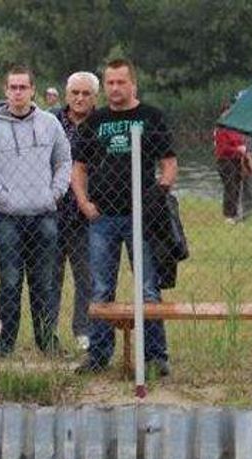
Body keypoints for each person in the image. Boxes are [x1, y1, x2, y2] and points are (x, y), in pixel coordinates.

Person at [71, 57, 177, 376]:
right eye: (110, 82)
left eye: (121, 82)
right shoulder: (95, 121)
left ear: (133, 84)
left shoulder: (151, 117)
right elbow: (79, 167)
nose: (115, 88)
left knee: (148, 288)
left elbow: (169, 163)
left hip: (141, 219)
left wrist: (159, 192)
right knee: (101, 288)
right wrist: (83, 202)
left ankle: (156, 356)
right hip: (102, 219)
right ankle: (98, 355)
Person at [0, 64, 71, 356]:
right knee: (10, 283)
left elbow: (64, 160)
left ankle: (47, 341)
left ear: (32, 90)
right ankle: (5, 343)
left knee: (44, 283)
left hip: (44, 215)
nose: (17, 92)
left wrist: (55, 192)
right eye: (12, 87)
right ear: (5, 90)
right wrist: (1, 196)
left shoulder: (50, 124)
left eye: (23, 87)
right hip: (6, 218)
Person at [53, 71, 100, 351]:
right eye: (75, 93)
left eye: (86, 93)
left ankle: (83, 330)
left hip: (87, 213)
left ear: (95, 96)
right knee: (50, 276)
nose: (80, 98)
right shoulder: (51, 121)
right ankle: (48, 332)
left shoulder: (102, 123)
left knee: (86, 276)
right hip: (53, 212)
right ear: (66, 94)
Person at [214, 105, 248, 223]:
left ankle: (235, 213)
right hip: (225, 160)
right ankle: (228, 215)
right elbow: (223, 148)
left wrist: (243, 149)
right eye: (227, 112)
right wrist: (238, 149)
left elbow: (241, 141)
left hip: (237, 160)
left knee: (237, 186)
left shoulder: (234, 128)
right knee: (230, 187)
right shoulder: (221, 129)